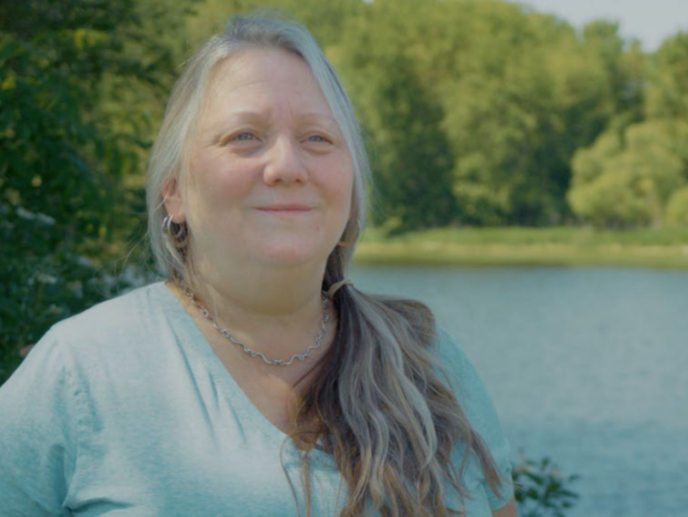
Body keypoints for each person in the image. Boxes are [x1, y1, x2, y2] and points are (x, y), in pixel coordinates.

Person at [0, 14, 517, 517]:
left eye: (318, 138)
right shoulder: (81, 373)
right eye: (244, 136)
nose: (288, 167)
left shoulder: (429, 365)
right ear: (174, 192)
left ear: (352, 186)